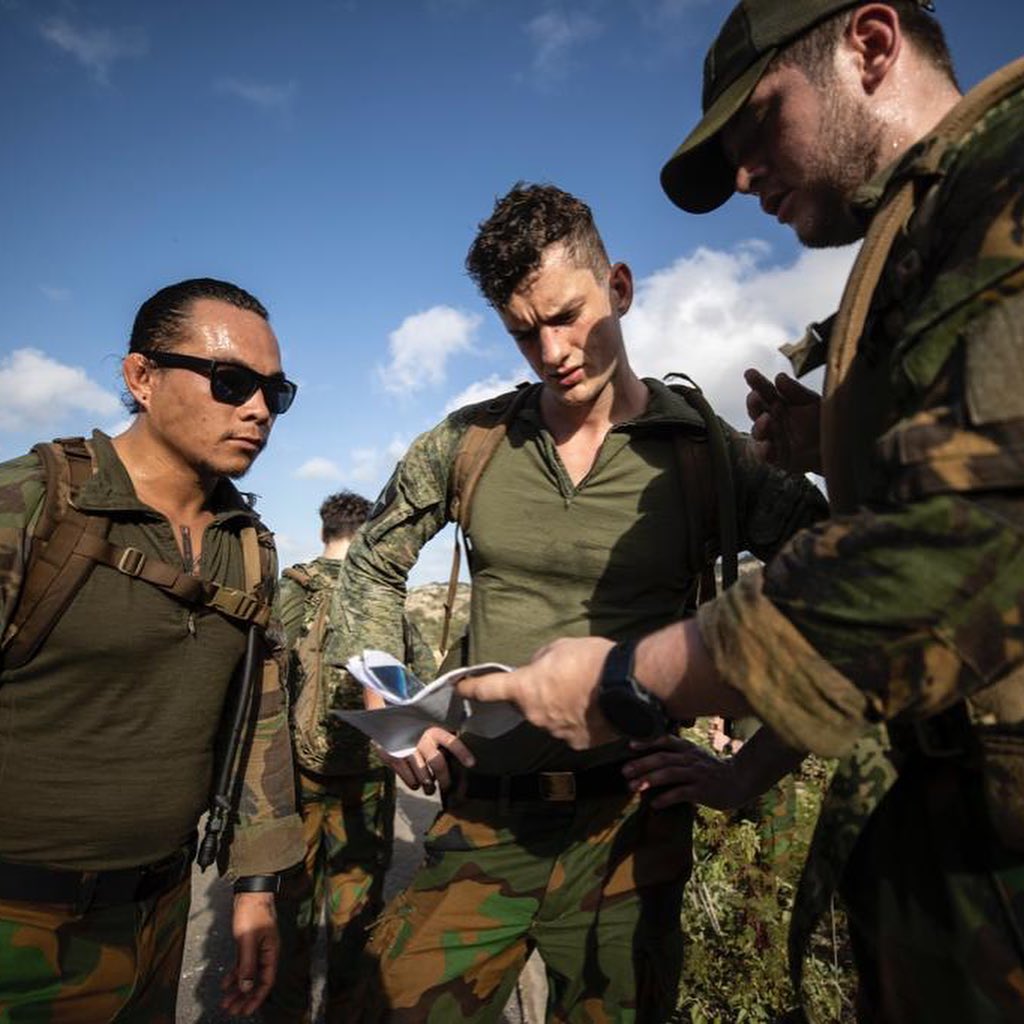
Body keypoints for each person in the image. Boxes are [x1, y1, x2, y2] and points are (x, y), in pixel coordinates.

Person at [460, 4, 1024, 1020]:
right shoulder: (922, 228)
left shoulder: (1005, 181)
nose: (742, 176)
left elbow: (961, 554)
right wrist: (844, 443)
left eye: (756, 126)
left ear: (869, 44)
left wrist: (637, 676)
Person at [328, 182, 827, 1022]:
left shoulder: (708, 457)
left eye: (568, 315)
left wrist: (745, 773)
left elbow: (841, 597)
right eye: (524, 332)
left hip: (630, 833)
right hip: (482, 822)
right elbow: (372, 565)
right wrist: (392, 710)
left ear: (620, 288)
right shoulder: (469, 444)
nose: (553, 349)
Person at [0, 277, 305, 1021]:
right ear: (142, 377)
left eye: (276, 391)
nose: (258, 409)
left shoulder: (250, 548)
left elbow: (256, 718)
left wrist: (257, 886)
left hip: (160, 914)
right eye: (231, 381)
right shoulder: (33, 507)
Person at [268, 491, 415, 1023]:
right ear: (367, 532)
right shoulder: (382, 598)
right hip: (368, 781)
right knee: (356, 922)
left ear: (325, 529)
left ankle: (284, 1014)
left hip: (295, 775)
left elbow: (265, 675)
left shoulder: (293, 586)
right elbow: (410, 678)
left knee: (288, 916)